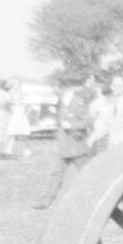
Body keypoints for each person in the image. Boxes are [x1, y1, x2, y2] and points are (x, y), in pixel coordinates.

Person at [36, 76, 98, 209]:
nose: (55, 90)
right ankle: (46, 202)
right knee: (56, 174)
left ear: (65, 88)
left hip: (77, 146)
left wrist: (72, 126)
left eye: (57, 87)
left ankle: (96, 200)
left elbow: (89, 122)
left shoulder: (78, 102)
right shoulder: (60, 102)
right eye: (54, 88)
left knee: (87, 174)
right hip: (64, 146)